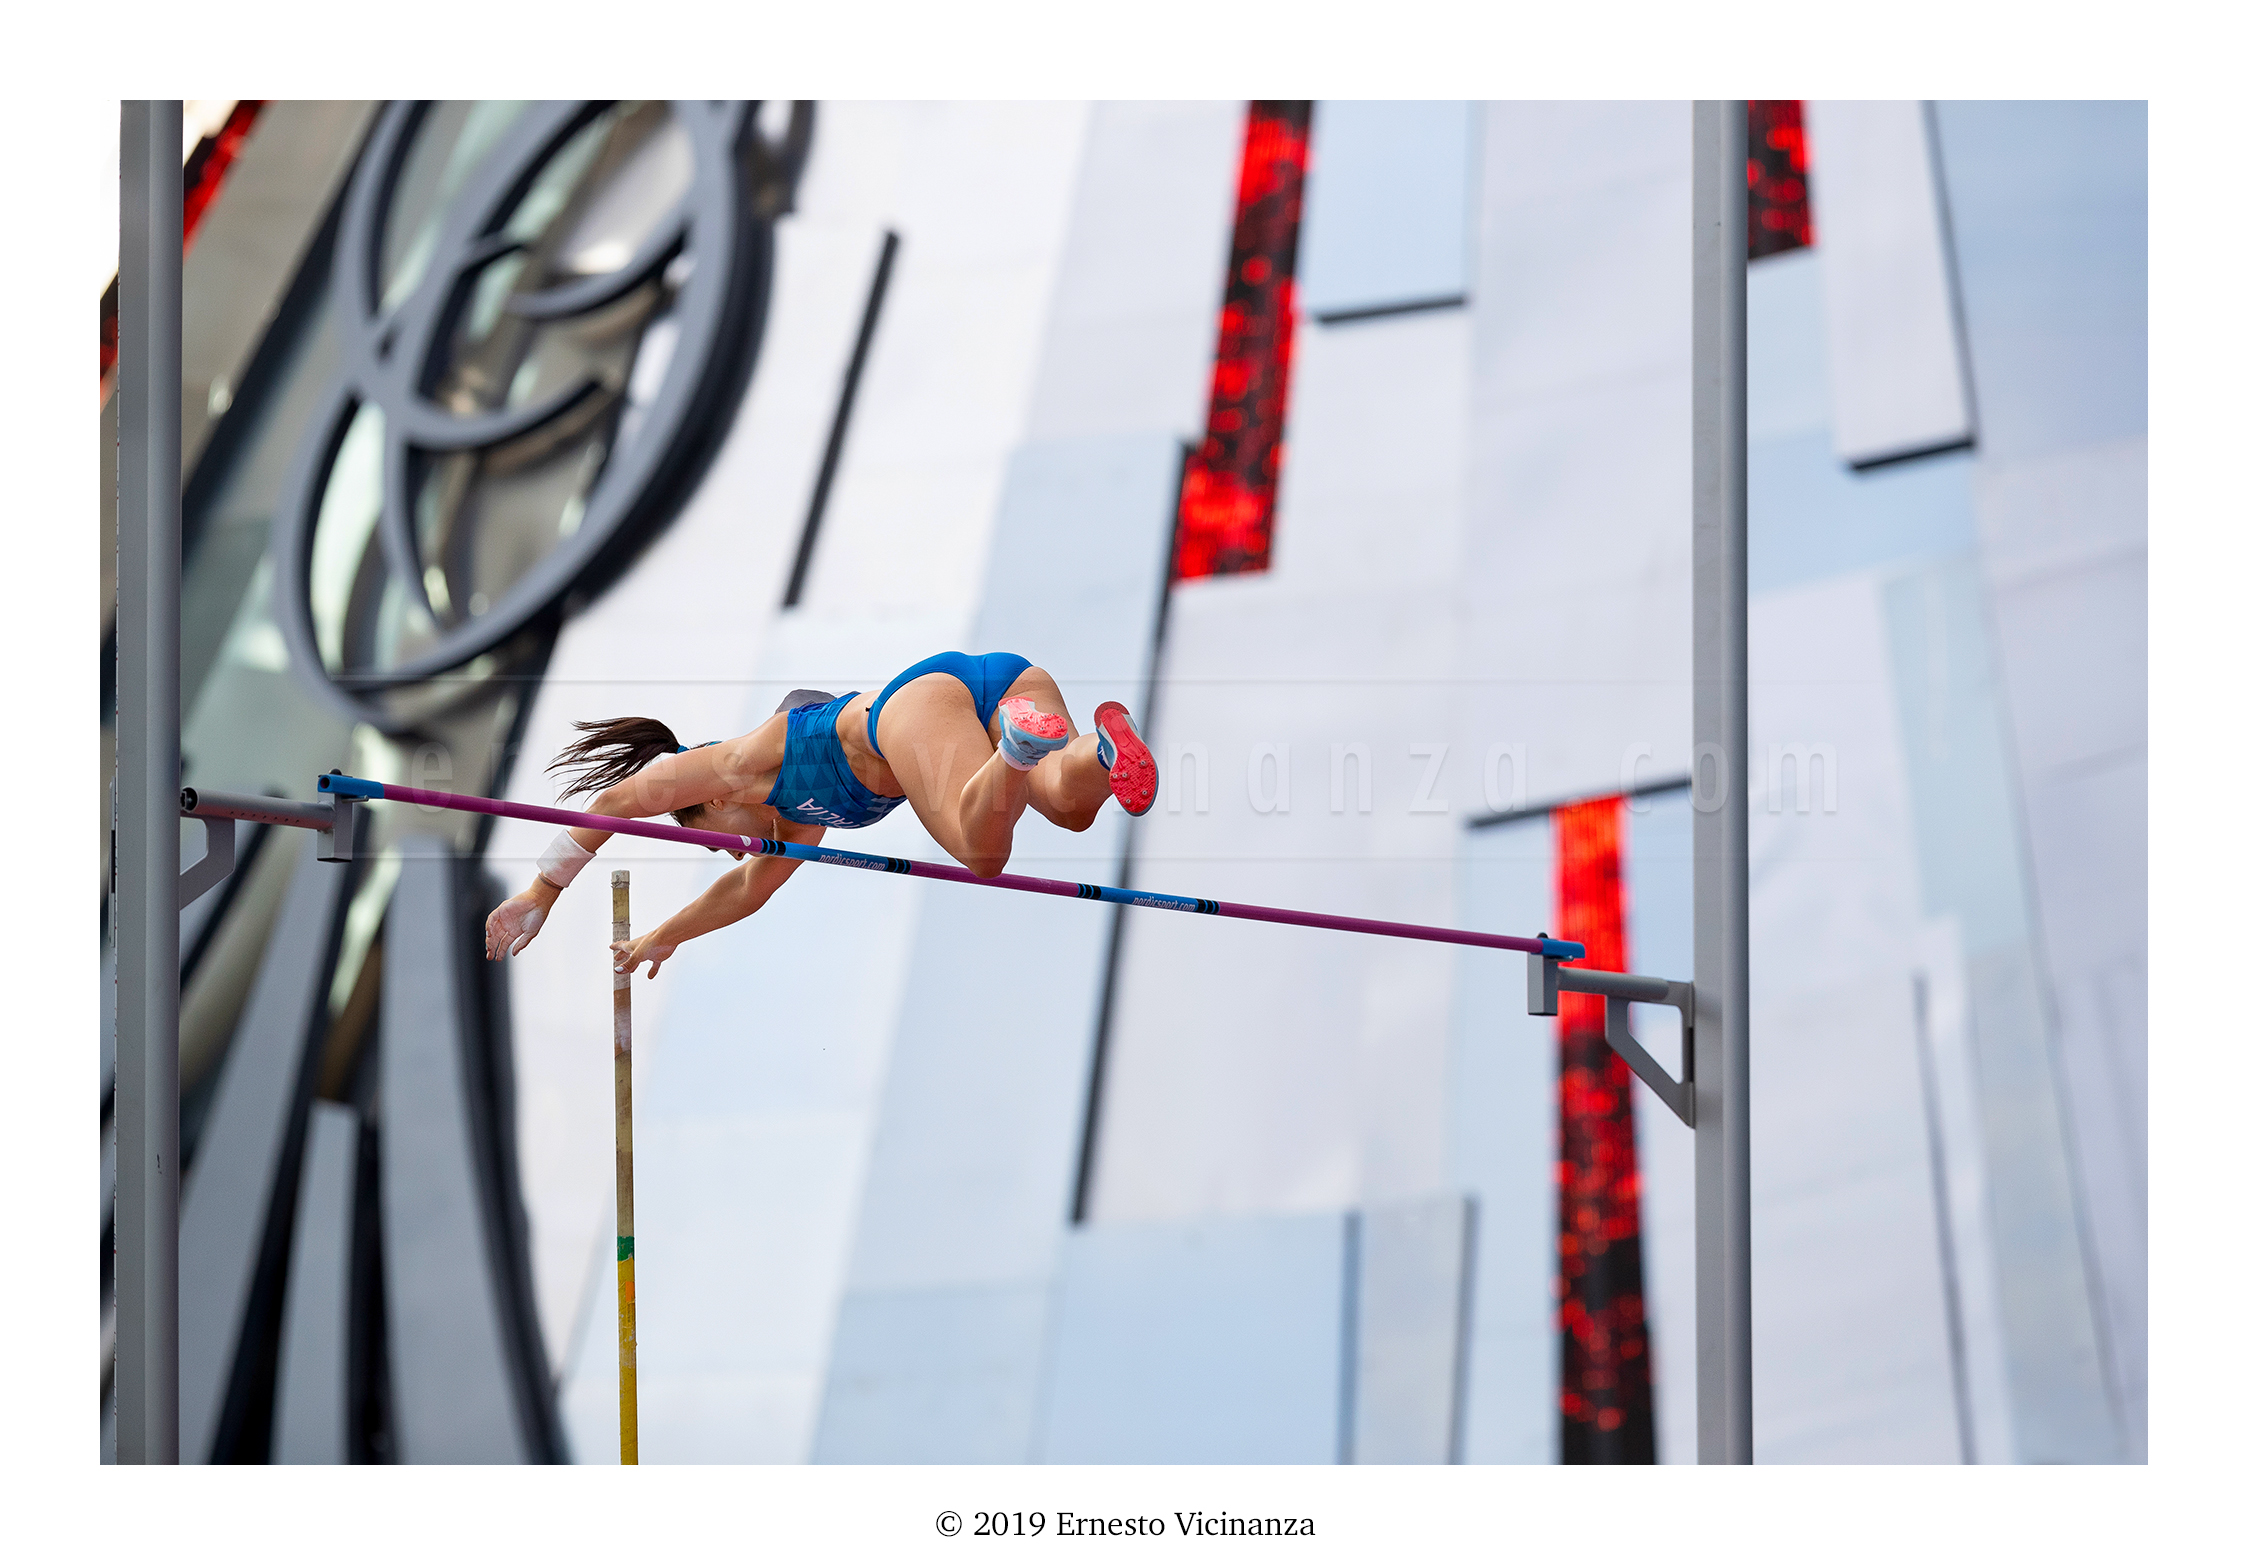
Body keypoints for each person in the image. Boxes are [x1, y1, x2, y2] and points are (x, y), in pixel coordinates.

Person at [481, 651, 1156, 978]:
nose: (728, 854)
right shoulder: (796, 823)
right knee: (1068, 806)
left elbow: (620, 802)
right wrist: (666, 936)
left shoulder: (739, 764)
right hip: (1002, 686)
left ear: (713, 801)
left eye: (710, 841)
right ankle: (1100, 748)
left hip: (917, 706)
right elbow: (748, 890)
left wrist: (543, 890)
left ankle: (1014, 748)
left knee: (980, 851)